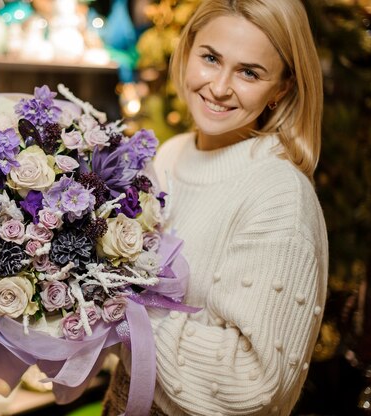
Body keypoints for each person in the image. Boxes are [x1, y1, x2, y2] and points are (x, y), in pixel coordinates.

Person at [102, 0, 327, 415]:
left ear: (282, 89)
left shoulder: (279, 196)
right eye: (210, 58)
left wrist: (115, 308)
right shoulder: (170, 155)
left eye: (249, 72)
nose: (220, 87)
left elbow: (252, 382)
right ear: (186, 52)